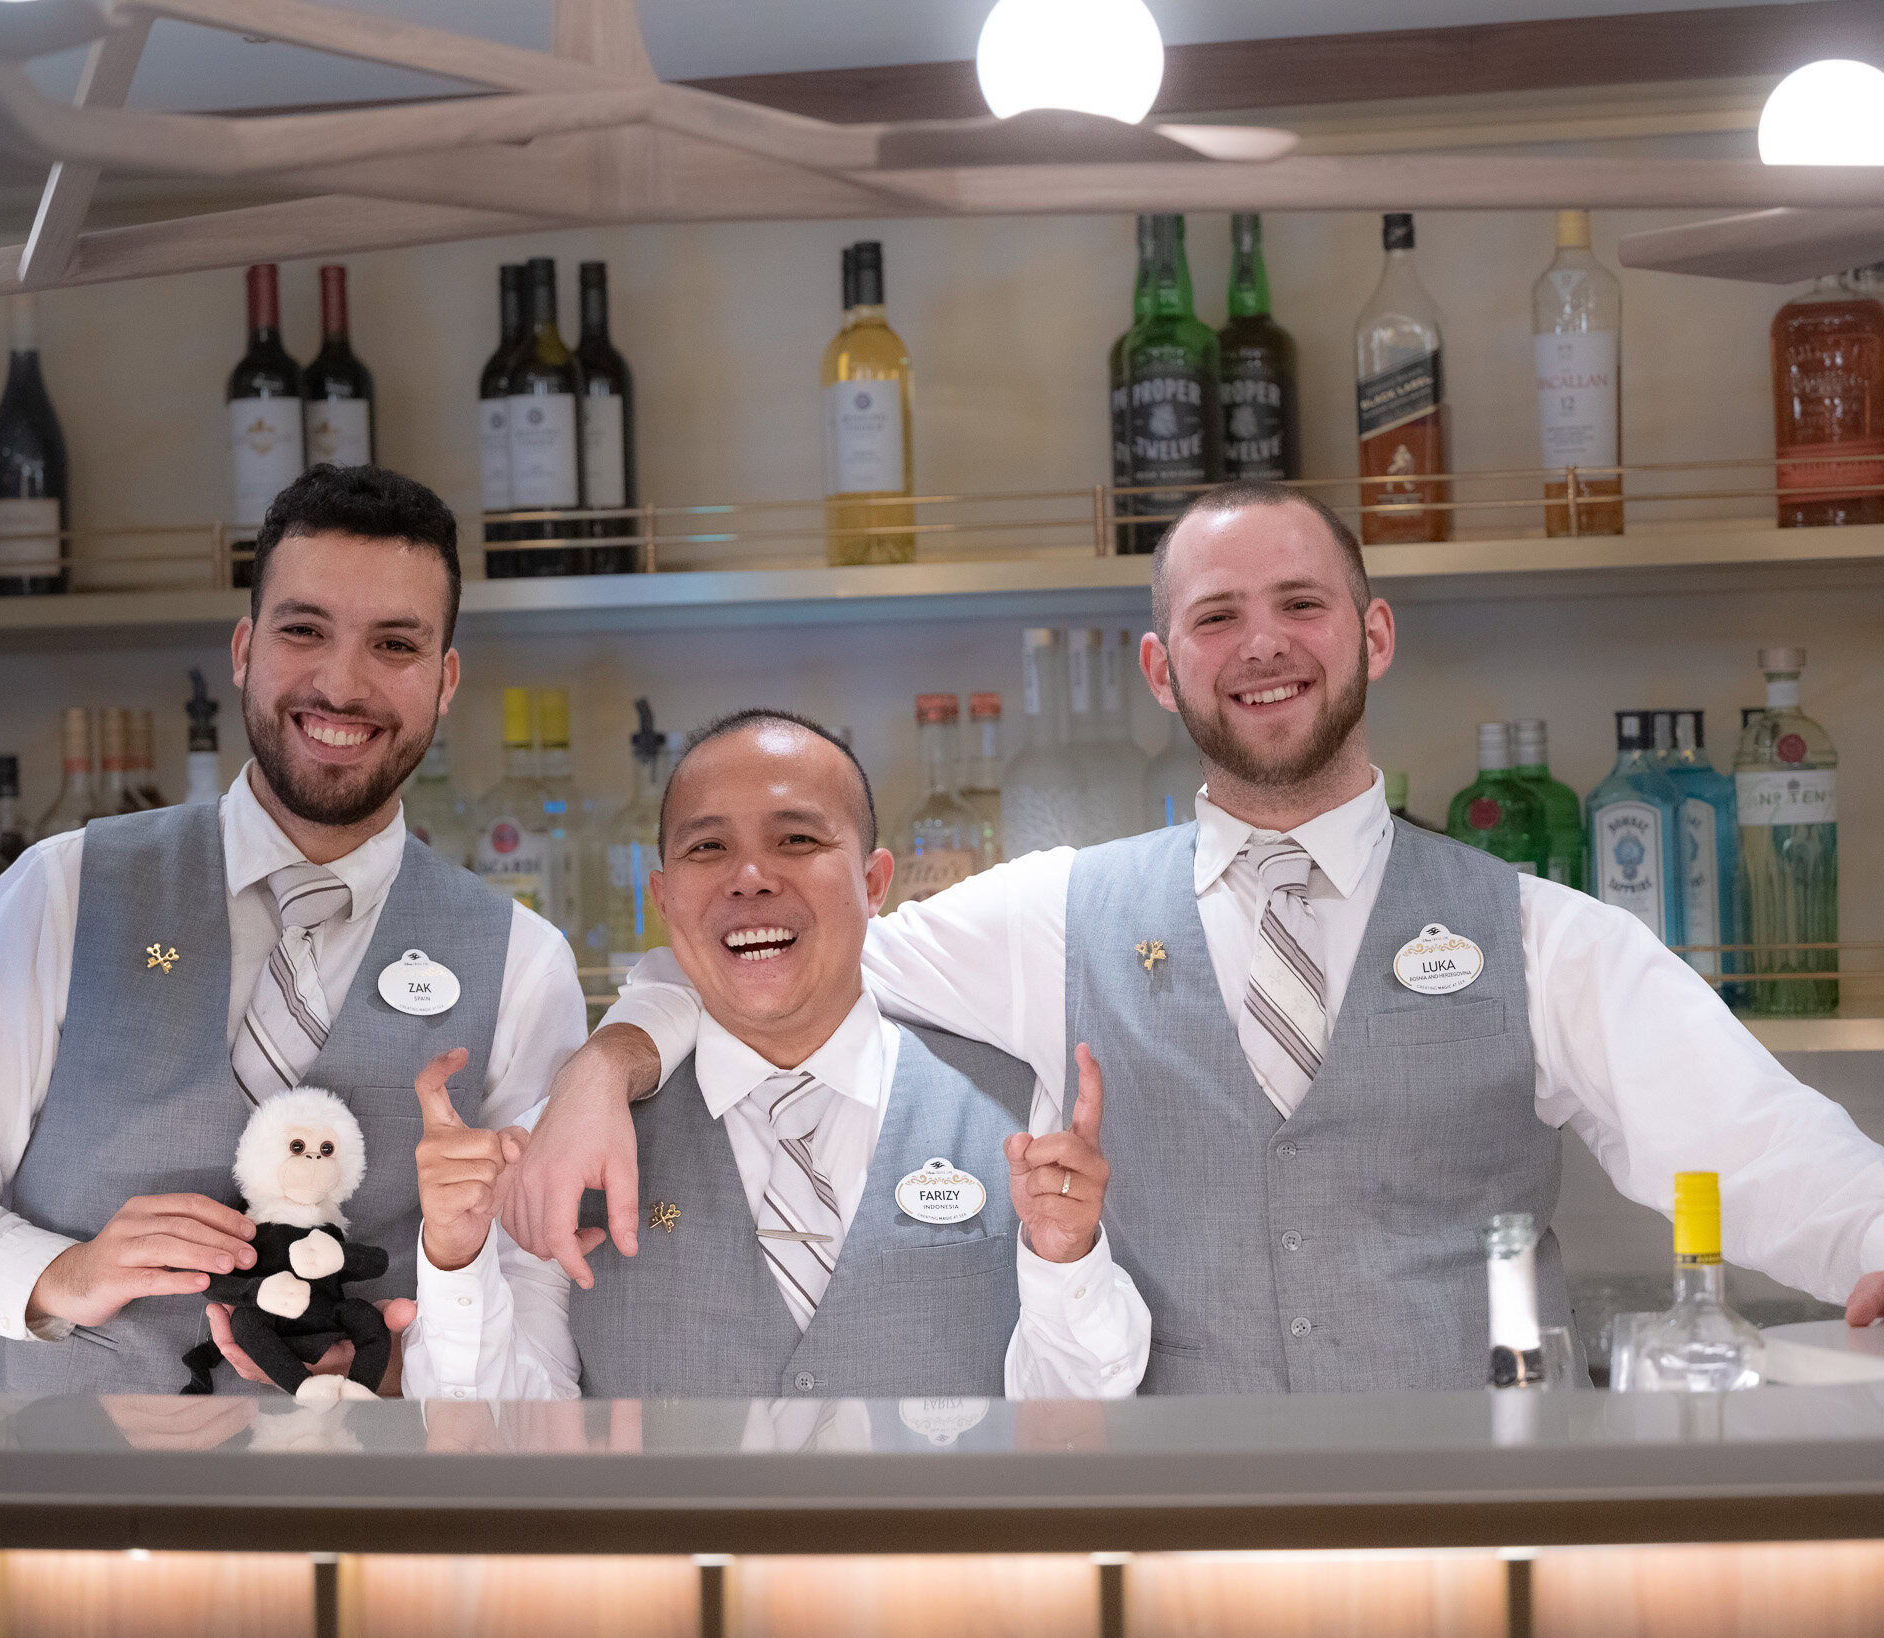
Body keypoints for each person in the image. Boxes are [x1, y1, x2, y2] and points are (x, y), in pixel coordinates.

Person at [509, 480, 1884, 1394]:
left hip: (1463, 1523)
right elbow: (782, 948)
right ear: (1163, 667)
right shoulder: (1054, 913)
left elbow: (1760, 1141)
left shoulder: (1539, 934)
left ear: (1375, 633)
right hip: (1169, 1542)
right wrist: (604, 1061)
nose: (1262, 643)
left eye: (1301, 605)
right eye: (1215, 615)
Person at [0, 465, 586, 1395]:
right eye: (303, 630)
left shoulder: (521, 962)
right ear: (243, 650)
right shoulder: (64, 890)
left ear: (445, 681)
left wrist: (413, 1370)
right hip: (79, 1515)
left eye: (395, 644)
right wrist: (55, 1274)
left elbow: (536, 1343)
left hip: (374, 1515)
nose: (342, 683)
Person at [403, 709, 1146, 1400]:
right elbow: (503, 1432)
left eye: (797, 839)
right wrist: (456, 1260)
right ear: (662, 899)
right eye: (708, 847)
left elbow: (1077, 1416)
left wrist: (1065, 1261)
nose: (750, 876)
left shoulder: (1021, 1112)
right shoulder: (561, 1147)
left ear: (874, 881)